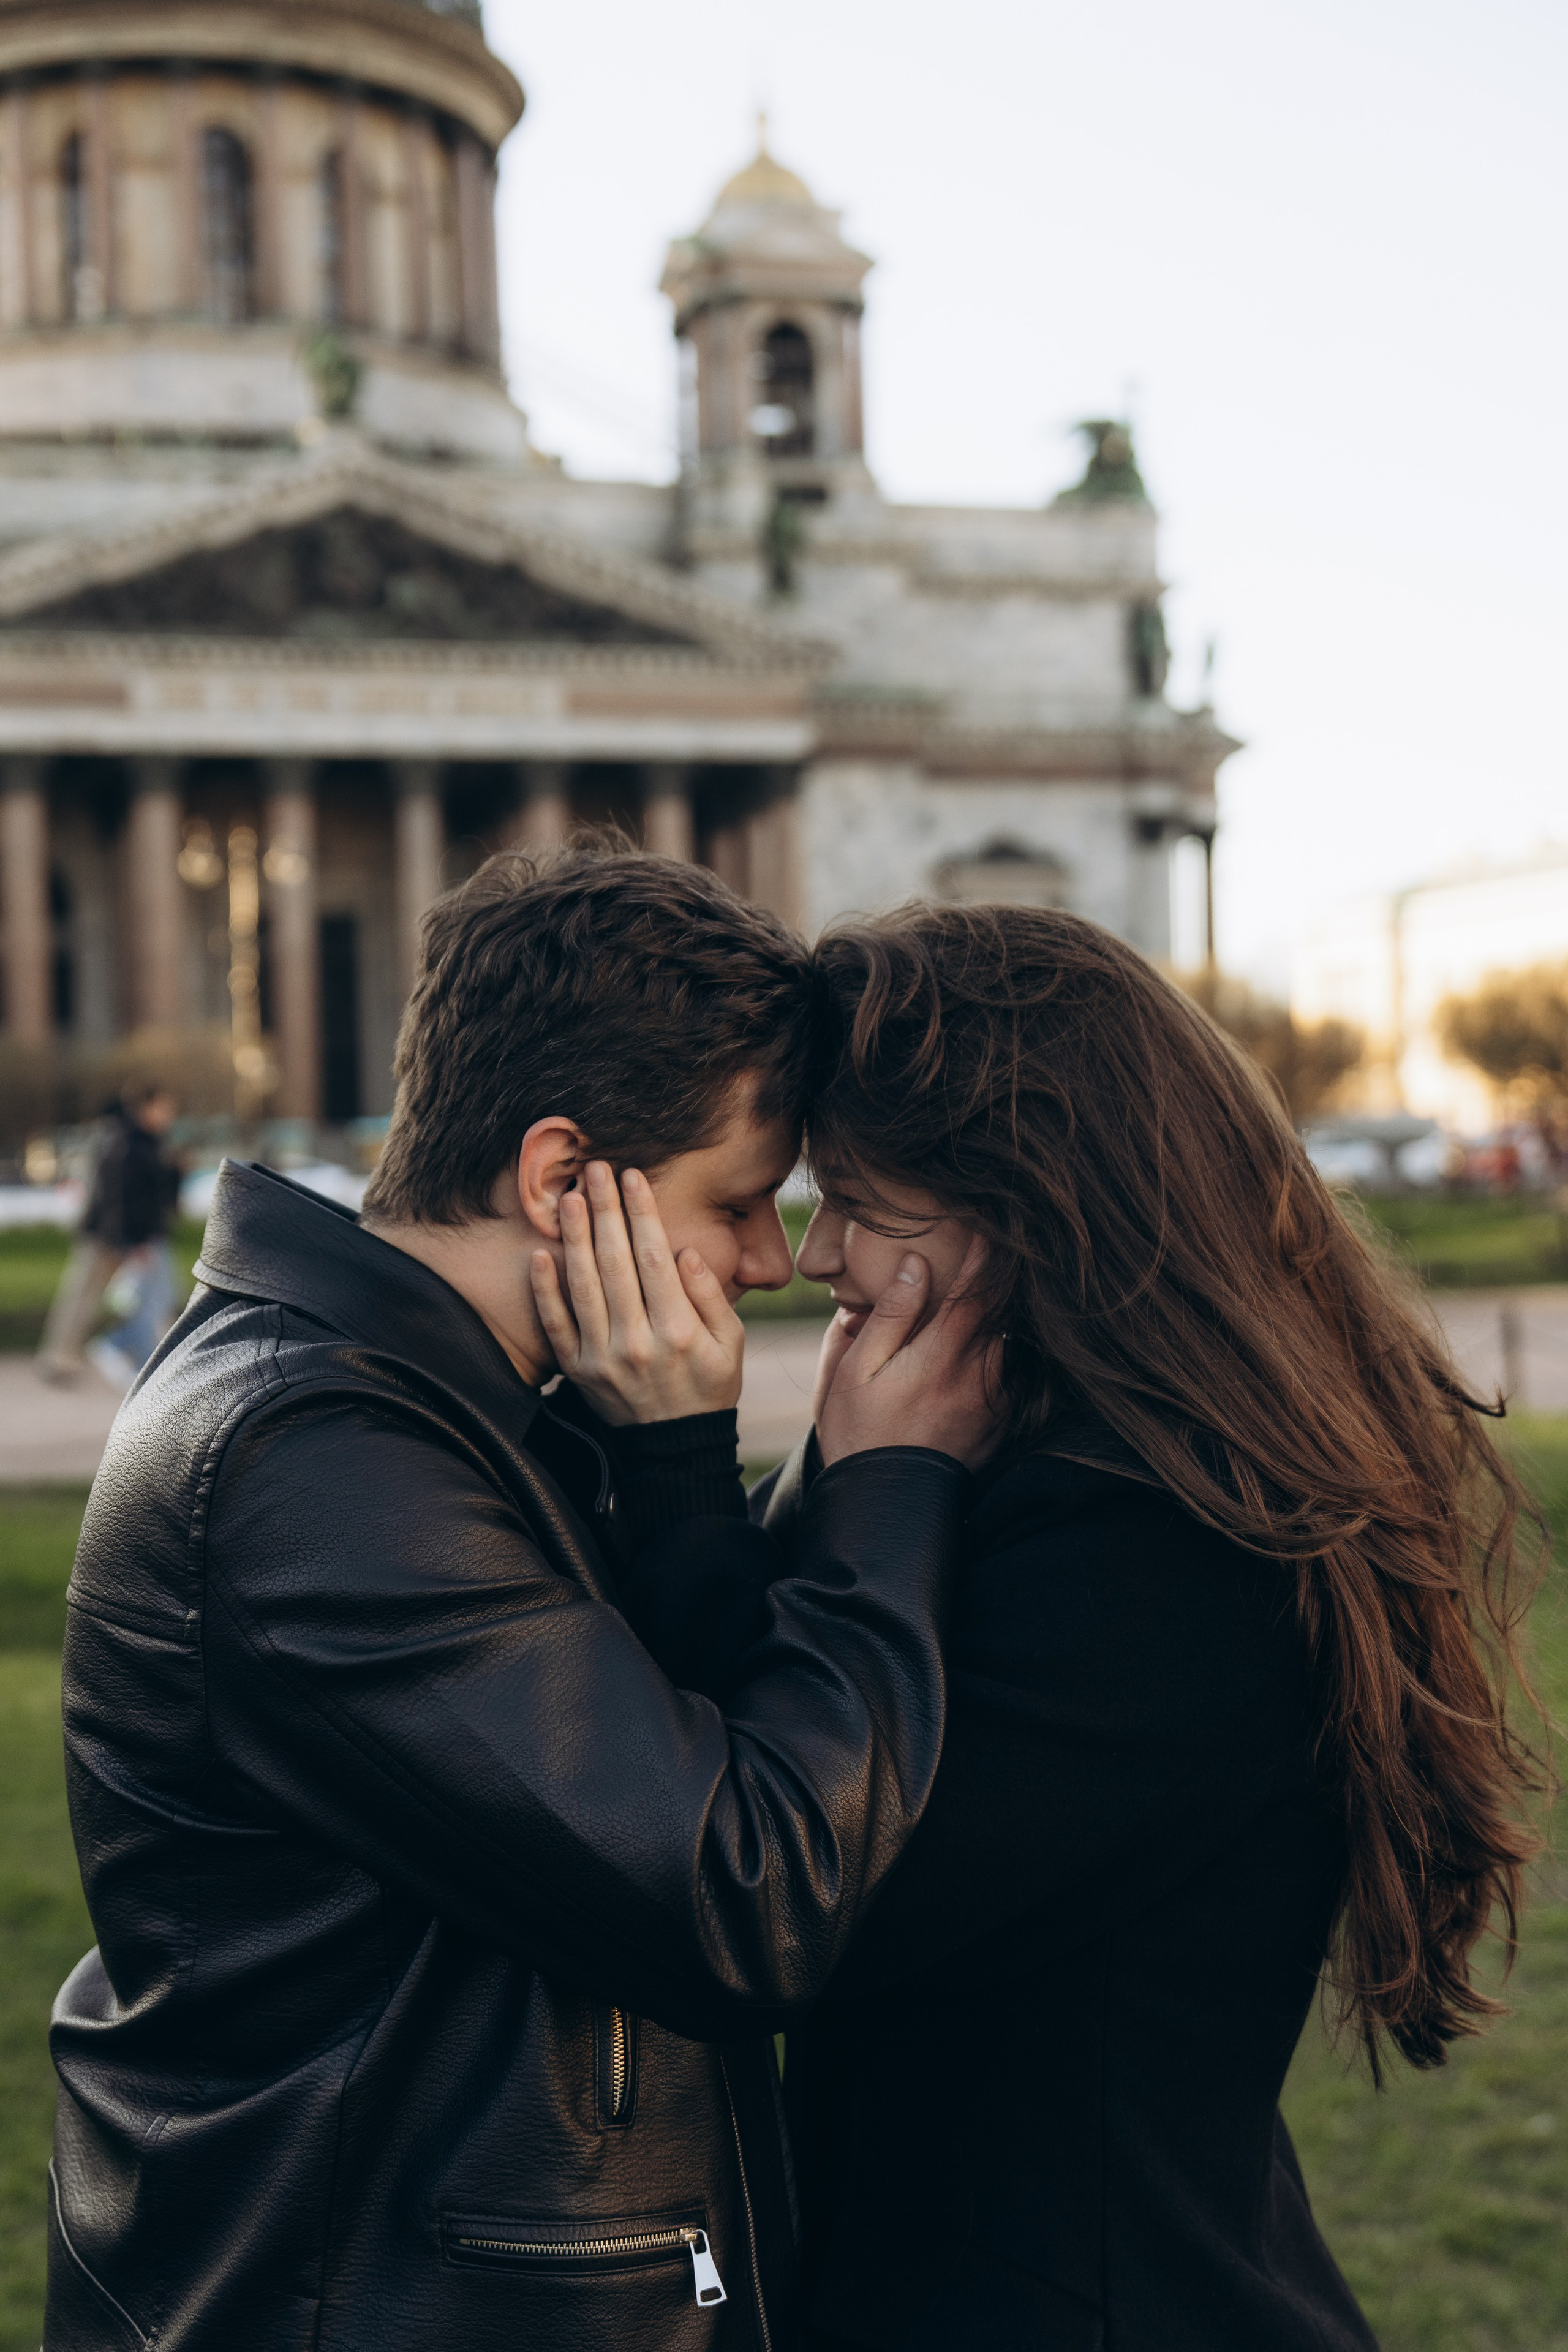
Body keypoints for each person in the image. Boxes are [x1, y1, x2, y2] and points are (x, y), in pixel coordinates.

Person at [47, 845, 1000, 2352]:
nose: (770, 1260)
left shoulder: (431, 1410)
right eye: (741, 1200)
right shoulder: (320, 1462)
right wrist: (889, 1484)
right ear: (560, 1177)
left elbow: (678, 1744)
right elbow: (745, 1888)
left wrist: (677, 1463)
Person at [628, 902, 1545, 2351]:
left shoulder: (1171, 1541)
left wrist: (708, 1466)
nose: (820, 1258)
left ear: (1026, 1205)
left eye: (861, 1200)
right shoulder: (1035, 1476)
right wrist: (858, 1482)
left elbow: (770, 1906)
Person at [37, 1082, 180, 1387]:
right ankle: (60, 1359)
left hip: (130, 1235)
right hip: (108, 1236)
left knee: (150, 1297)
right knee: (82, 1298)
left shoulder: (146, 1141)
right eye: (164, 1107)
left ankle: (144, 1356)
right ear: (146, 1107)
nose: (169, 1114)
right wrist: (127, 1240)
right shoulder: (124, 1141)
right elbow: (116, 1198)